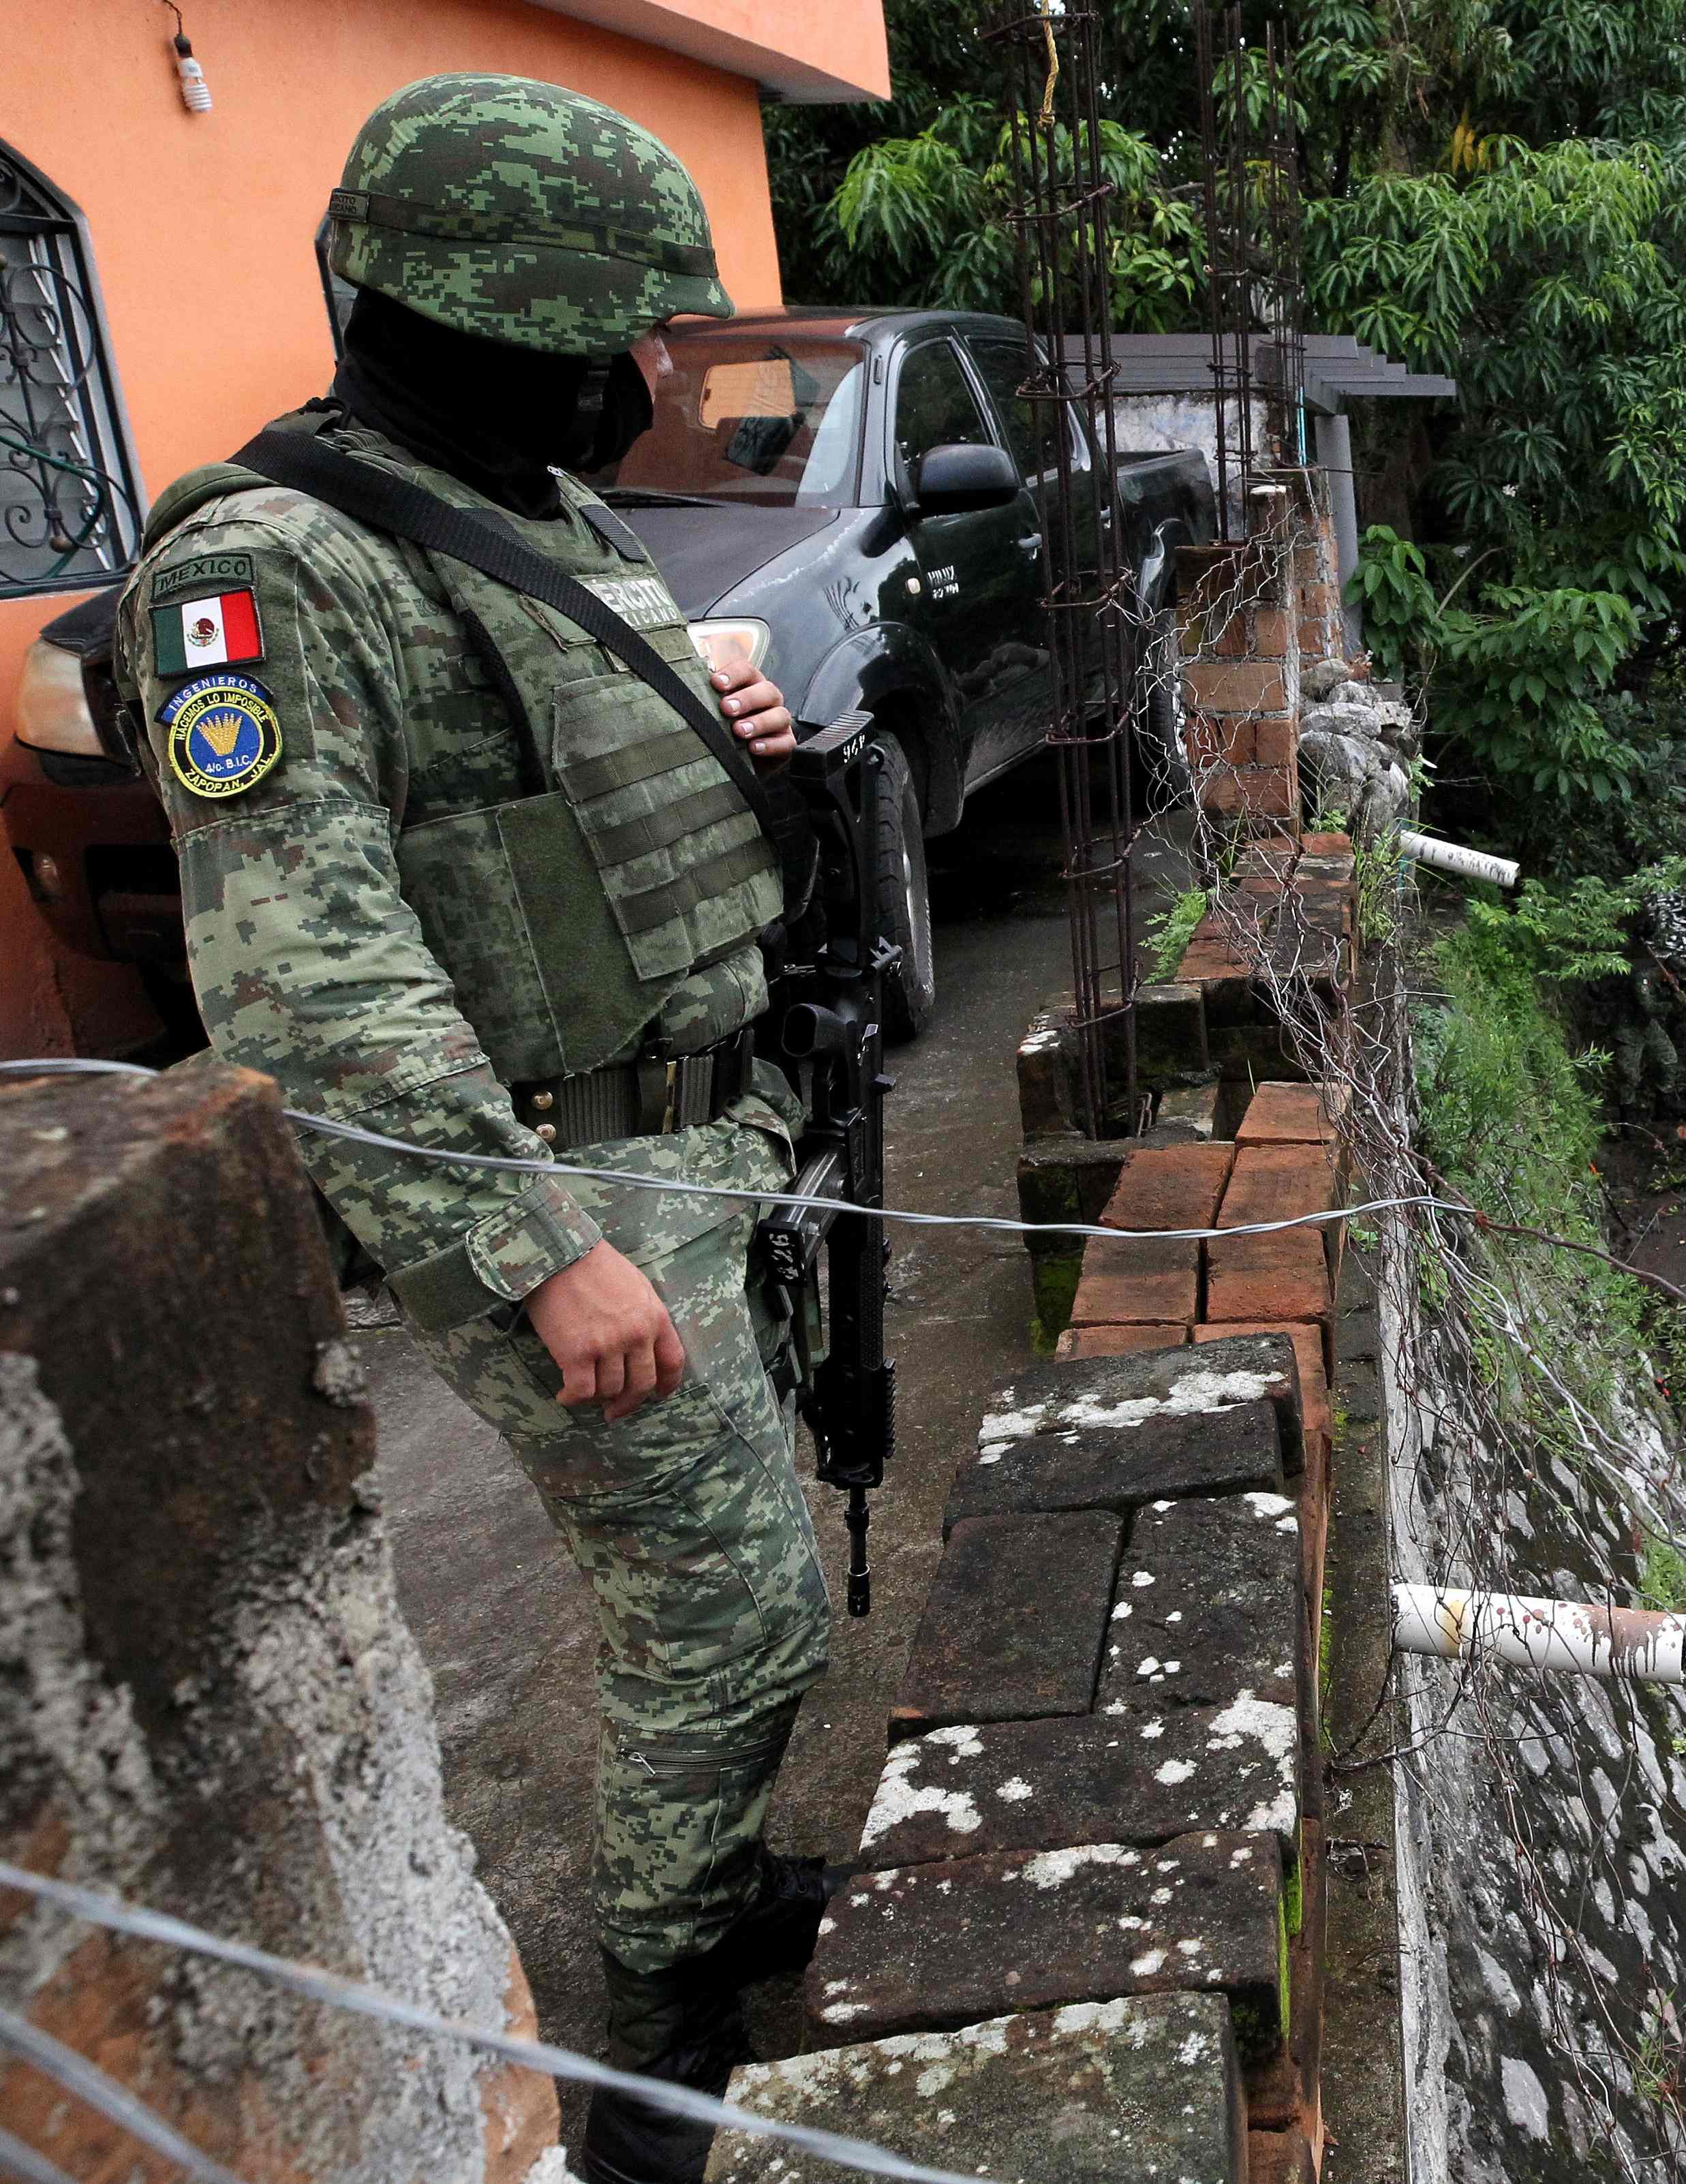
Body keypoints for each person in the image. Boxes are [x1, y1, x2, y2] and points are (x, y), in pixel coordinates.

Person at [119, 74, 827, 2184]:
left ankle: (705, 1896)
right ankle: (655, 2062)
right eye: (607, 337)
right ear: (476, 318)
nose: (637, 381)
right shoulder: (267, 571)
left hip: (704, 1140)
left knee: (751, 1595)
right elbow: (307, 982)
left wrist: (723, 710)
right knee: (728, 1623)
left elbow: (550, 772)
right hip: (563, 1187)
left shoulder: (531, 502)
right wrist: (534, 1250)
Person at [1601, 918, 1683, 1121]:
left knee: (1669, 1059)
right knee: (1630, 1076)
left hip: (1647, 1027)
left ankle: (1663, 1104)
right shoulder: (1643, 979)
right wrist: (1672, 1005)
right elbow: (1648, 1007)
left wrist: (1674, 994)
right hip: (1628, 1028)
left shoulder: (1663, 980)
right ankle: (1626, 1117)